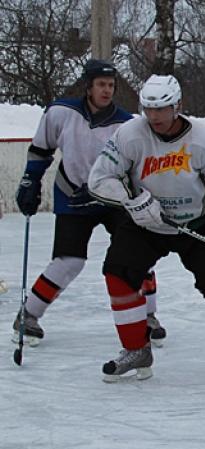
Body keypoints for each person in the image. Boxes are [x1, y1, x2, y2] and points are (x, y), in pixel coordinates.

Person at [88, 74, 205, 382]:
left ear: (178, 106)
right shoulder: (129, 135)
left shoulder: (204, 140)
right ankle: (136, 350)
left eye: (162, 109)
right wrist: (133, 200)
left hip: (198, 223)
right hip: (146, 224)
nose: (154, 116)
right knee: (118, 274)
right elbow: (99, 179)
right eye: (148, 109)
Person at [11, 59, 166, 346]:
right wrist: (30, 180)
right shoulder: (60, 112)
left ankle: (148, 316)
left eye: (111, 85)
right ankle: (28, 315)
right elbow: (41, 149)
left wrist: (143, 197)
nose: (107, 90)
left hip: (113, 199)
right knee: (68, 261)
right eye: (101, 85)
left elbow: (138, 166)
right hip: (72, 195)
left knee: (137, 252)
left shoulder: (127, 124)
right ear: (88, 86)